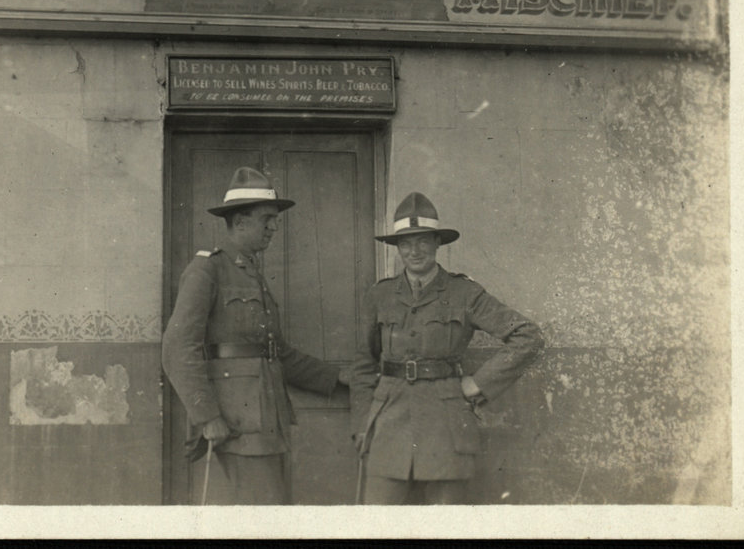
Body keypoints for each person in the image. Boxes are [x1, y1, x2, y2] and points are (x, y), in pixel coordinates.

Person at [162, 166, 348, 504]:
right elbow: (177, 348)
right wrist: (208, 416)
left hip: (267, 421)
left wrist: (339, 377)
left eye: (274, 219)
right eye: (267, 219)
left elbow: (277, 354)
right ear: (240, 221)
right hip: (235, 423)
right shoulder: (208, 269)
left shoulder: (252, 273)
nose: (274, 227)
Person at [350, 192, 543, 504]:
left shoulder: (464, 293)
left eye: (423, 241)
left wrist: (478, 384)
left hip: (445, 424)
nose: (415, 251)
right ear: (397, 247)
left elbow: (528, 336)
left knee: (446, 523)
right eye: (406, 243)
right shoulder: (379, 296)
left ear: (437, 243)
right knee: (379, 521)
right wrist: (361, 425)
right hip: (388, 424)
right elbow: (362, 363)